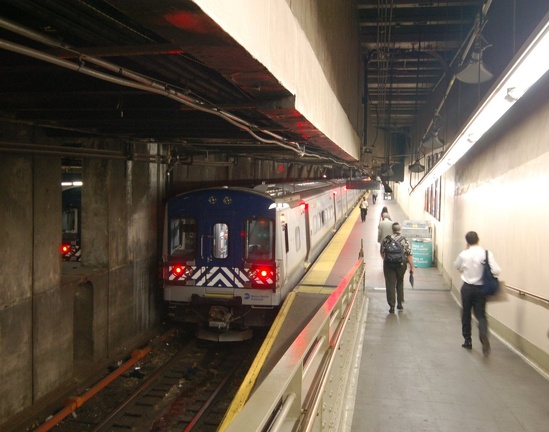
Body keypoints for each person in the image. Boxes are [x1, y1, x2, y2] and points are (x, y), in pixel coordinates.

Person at [454, 231, 501, 356]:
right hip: (481, 289)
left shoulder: (464, 254)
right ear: (478, 239)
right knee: (481, 314)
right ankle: (483, 336)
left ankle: (467, 340)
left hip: (467, 288)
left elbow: (457, 266)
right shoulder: (486, 253)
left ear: (467, 241)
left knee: (466, 312)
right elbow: (496, 270)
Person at [380, 222, 414, 313]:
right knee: (400, 281)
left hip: (389, 264)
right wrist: (412, 266)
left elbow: (382, 251)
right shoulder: (404, 240)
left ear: (392, 229)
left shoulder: (386, 239)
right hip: (401, 264)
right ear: (400, 229)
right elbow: (409, 254)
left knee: (390, 284)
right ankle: (400, 303)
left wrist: (386, 259)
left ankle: (391, 306)